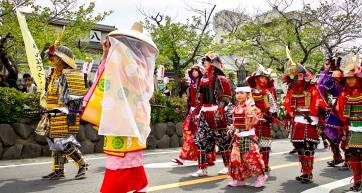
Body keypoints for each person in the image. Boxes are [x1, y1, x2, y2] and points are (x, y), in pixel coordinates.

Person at [81, 22, 158, 193]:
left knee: (121, 157)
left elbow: (104, 76)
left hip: (122, 115)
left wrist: (108, 55)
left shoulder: (126, 60)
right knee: (127, 157)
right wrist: (106, 54)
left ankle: (124, 188)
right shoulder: (139, 63)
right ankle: (140, 185)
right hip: (128, 115)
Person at [41, 45, 88, 180]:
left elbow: (77, 98)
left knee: (64, 142)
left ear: (62, 59)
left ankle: (82, 164)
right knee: (54, 143)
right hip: (53, 112)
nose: (51, 59)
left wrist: (71, 115)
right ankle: (58, 170)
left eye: (54, 56)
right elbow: (51, 94)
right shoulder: (53, 74)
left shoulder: (73, 74)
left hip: (67, 113)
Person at [283, 63, 327, 183]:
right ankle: (304, 171)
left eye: (298, 76)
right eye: (293, 77)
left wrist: (321, 123)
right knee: (299, 148)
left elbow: (321, 106)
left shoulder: (312, 88)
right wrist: (287, 117)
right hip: (297, 122)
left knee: (308, 148)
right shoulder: (291, 89)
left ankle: (309, 173)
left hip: (311, 122)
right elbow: (288, 106)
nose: (296, 79)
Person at [192, 52, 232, 177]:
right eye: (204, 61)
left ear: (214, 63)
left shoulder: (221, 78)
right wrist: (197, 110)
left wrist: (220, 109)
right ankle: (202, 168)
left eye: (207, 61)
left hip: (217, 113)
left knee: (222, 140)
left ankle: (227, 166)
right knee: (200, 139)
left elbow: (226, 96)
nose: (204, 63)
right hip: (204, 112)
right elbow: (199, 96)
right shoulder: (202, 78)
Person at [227, 85, 268, 187]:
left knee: (251, 158)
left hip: (248, 137)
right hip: (237, 137)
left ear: (248, 94)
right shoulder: (236, 107)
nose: (239, 95)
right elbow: (235, 122)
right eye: (237, 93)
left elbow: (254, 121)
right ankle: (239, 179)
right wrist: (231, 129)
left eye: (242, 93)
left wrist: (249, 108)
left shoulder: (253, 108)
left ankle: (261, 176)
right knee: (236, 159)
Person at [334, 54, 362, 191]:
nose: (351, 81)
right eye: (348, 79)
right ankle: (357, 182)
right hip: (352, 129)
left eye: (353, 78)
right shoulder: (344, 95)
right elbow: (341, 114)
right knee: (354, 157)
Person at [247, 64, 279, 172]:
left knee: (265, 145)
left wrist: (272, 116)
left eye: (265, 78)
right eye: (262, 77)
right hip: (252, 122)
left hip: (264, 121)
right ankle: (254, 164)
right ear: (256, 79)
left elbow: (274, 106)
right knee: (252, 144)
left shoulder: (267, 93)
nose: (264, 80)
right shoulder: (250, 93)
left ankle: (265, 165)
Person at [172, 64, 203, 165]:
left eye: (196, 71)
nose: (194, 72)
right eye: (192, 71)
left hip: (201, 112)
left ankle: (199, 156)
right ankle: (184, 157)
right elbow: (190, 100)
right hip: (193, 112)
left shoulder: (203, 84)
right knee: (189, 134)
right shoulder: (192, 84)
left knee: (198, 136)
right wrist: (185, 110)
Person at [317, 56, 346, 167]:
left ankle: (349, 159)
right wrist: (325, 71)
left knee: (347, 135)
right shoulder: (331, 80)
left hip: (349, 109)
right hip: (334, 110)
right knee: (329, 133)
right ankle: (337, 156)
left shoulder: (349, 78)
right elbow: (320, 87)